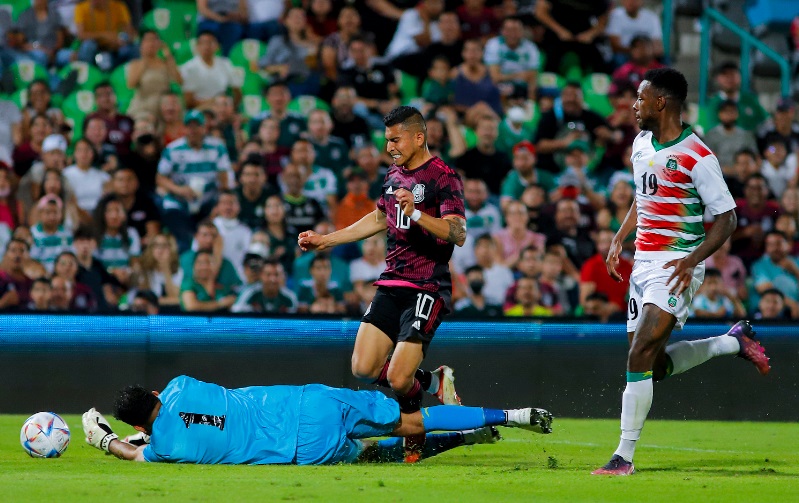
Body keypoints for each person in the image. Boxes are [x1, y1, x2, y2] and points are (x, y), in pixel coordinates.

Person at [593, 68, 770, 476]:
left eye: (640, 98)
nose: (634, 106)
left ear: (661, 102)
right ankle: (732, 343)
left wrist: (691, 260)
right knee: (650, 366)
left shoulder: (697, 155)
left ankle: (623, 457)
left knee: (638, 352)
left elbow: (727, 218)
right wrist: (621, 237)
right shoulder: (640, 144)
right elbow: (644, 195)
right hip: (643, 263)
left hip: (676, 265)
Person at [298, 106, 468, 462]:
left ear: (418, 137)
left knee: (398, 378)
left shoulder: (443, 176)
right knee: (363, 367)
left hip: (427, 285)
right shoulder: (393, 175)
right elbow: (380, 216)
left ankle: (415, 432)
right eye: (386, 139)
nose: (389, 146)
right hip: (393, 281)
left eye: (395, 139)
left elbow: (458, 232)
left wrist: (419, 214)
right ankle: (435, 382)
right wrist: (326, 240)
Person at [81, 374, 553, 464]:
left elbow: (137, 450)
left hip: (301, 451)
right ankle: (511, 414)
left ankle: (467, 439)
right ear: (152, 394)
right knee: (414, 420)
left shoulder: (165, 449)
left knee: (381, 456)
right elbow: (178, 406)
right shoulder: (181, 385)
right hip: (307, 404)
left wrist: (104, 439)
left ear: (141, 425)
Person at [157, 110, 232, 252]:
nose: (193, 130)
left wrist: (219, 204)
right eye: (189, 126)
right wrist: (179, 190)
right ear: (183, 128)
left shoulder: (217, 148)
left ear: (204, 128)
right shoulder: (173, 149)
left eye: (197, 126)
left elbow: (224, 179)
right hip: (180, 201)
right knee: (182, 234)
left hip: (207, 200)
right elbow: (160, 178)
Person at [126, 30, 182, 122]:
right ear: (141, 44)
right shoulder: (136, 64)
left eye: (154, 40)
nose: (151, 43)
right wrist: (145, 60)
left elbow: (179, 81)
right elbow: (131, 84)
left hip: (163, 109)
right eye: (148, 40)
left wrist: (167, 54)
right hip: (142, 108)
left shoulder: (165, 63)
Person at [179, 31, 243, 110]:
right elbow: (188, 101)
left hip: (222, 108)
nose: (207, 46)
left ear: (217, 46)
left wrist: (231, 107)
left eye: (210, 42)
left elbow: (237, 92)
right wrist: (212, 103)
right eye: (203, 43)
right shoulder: (189, 68)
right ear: (197, 47)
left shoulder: (225, 64)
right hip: (200, 110)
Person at [483, 16, 540, 100]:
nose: (512, 34)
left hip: (522, 87)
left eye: (516, 30)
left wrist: (531, 102)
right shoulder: (493, 44)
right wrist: (519, 75)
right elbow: (495, 77)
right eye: (509, 30)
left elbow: (532, 76)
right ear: (502, 31)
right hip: (499, 87)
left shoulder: (531, 47)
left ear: (522, 31)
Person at [71, 0, 138, 69]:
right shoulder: (81, 7)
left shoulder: (118, 6)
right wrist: (103, 36)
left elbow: (131, 34)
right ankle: (86, 74)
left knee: (133, 47)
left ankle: (130, 74)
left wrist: (122, 39)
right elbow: (81, 35)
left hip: (114, 47)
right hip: (94, 48)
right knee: (88, 46)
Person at [702, 100, 759, 174]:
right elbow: (706, 160)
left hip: (743, 174)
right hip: (719, 175)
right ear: (720, 114)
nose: (728, 115)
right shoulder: (711, 135)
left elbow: (756, 157)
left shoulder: (746, 135)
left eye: (732, 111)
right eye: (725, 112)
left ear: (737, 114)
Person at [232, 259, 298, 313]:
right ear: (261, 275)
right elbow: (235, 312)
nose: (272, 279)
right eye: (268, 275)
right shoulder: (249, 294)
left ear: (282, 276)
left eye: (276, 275)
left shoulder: (289, 297)